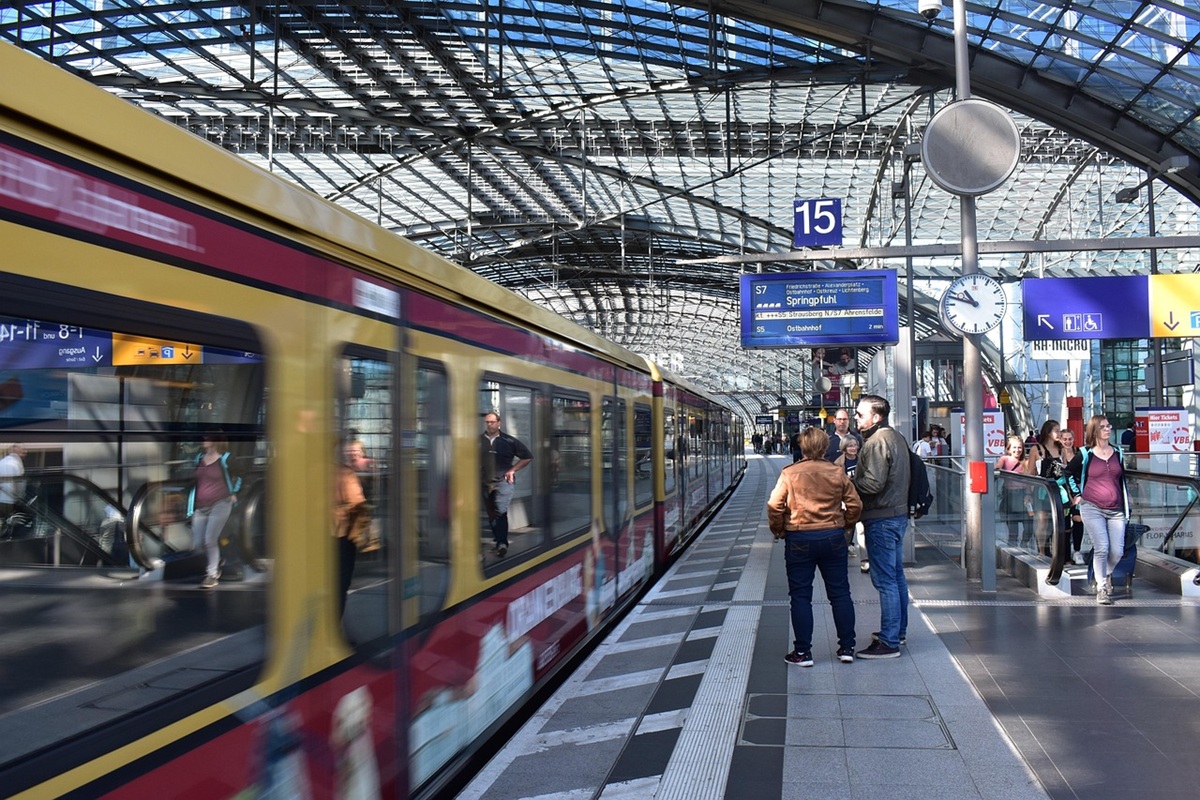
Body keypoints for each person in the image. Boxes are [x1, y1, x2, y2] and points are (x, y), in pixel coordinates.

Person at [767, 426, 861, 667]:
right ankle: (847, 648)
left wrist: (779, 530)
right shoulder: (836, 472)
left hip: (799, 538)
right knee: (840, 593)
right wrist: (846, 525)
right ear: (825, 447)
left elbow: (774, 505)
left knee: (800, 596)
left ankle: (802, 652)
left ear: (802, 447)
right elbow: (855, 504)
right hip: (833, 537)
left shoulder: (790, 473)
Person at [852, 393, 911, 659]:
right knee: (896, 577)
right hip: (897, 515)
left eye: (860, 414)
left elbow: (873, 484)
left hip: (881, 518)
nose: (856, 418)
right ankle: (898, 631)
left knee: (885, 581)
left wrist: (848, 484)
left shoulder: (876, 441)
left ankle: (888, 641)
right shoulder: (896, 437)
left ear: (876, 417)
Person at [1078, 414, 1129, 605]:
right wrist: (1076, 494)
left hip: (1116, 508)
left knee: (1117, 551)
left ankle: (1105, 574)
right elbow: (1069, 473)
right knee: (1102, 547)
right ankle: (1102, 588)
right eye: (1103, 427)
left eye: (1109, 426)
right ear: (1094, 431)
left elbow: (1121, 477)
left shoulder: (1118, 452)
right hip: (1092, 507)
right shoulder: (1086, 453)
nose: (1108, 429)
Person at [190, 434, 241, 589]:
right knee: (198, 544)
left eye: (207, 438)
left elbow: (240, 475)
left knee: (209, 539)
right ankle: (217, 560)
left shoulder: (226, 459)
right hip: (200, 507)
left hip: (221, 503)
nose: (204, 440)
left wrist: (234, 492)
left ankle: (212, 575)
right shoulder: (198, 458)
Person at [481, 412, 532, 557]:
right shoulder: (479, 440)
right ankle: (498, 539)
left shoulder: (509, 441)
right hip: (484, 482)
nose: (489, 425)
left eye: (492, 422)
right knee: (491, 513)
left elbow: (527, 457)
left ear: (499, 423)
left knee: (500, 511)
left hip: (503, 482)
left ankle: (502, 543)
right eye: (487, 422)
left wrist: (512, 470)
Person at [1026, 419, 1068, 556]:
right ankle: (1042, 551)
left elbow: (1065, 470)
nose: (1059, 433)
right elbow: (1031, 471)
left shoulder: (1061, 449)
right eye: (1056, 431)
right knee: (1042, 521)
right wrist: (1028, 492)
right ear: (1048, 432)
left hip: (1058, 488)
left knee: (1057, 521)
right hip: (1042, 488)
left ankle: (1056, 552)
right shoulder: (1036, 449)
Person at [334, 453, 368, 617]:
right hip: (341, 535)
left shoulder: (305, 472)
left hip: (313, 537)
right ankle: (334, 623)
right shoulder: (344, 473)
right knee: (340, 585)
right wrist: (360, 537)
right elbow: (358, 506)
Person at [994, 435, 1032, 548]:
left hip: (1023, 495)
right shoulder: (1004, 459)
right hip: (1010, 495)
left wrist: (1028, 494)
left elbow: (1029, 480)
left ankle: (1024, 543)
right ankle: (1013, 548)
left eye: (1019, 447)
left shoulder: (1026, 461)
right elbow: (997, 467)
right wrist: (997, 470)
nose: (1017, 450)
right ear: (1009, 449)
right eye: (1014, 447)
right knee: (1012, 527)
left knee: (1029, 525)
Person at [835, 436, 866, 565]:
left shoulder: (862, 459)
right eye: (850, 446)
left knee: (862, 529)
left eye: (855, 445)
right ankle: (843, 551)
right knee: (848, 528)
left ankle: (865, 559)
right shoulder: (839, 462)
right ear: (844, 447)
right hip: (847, 498)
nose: (853, 448)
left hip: (862, 496)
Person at [1059, 428, 1085, 565]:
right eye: (1065, 439)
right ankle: (1064, 554)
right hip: (1062, 492)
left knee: (1078, 519)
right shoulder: (1058, 455)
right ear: (1060, 440)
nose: (1067, 442)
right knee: (1064, 523)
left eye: (1070, 439)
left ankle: (1077, 550)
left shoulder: (1079, 453)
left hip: (1077, 491)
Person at [0, 443, 27, 518]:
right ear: (14, 449)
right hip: (9, 500)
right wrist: (19, 498)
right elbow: (16, 486)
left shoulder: (4, 461)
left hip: (5, 499)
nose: (26, 452)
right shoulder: (13, 464)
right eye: (23, 449)